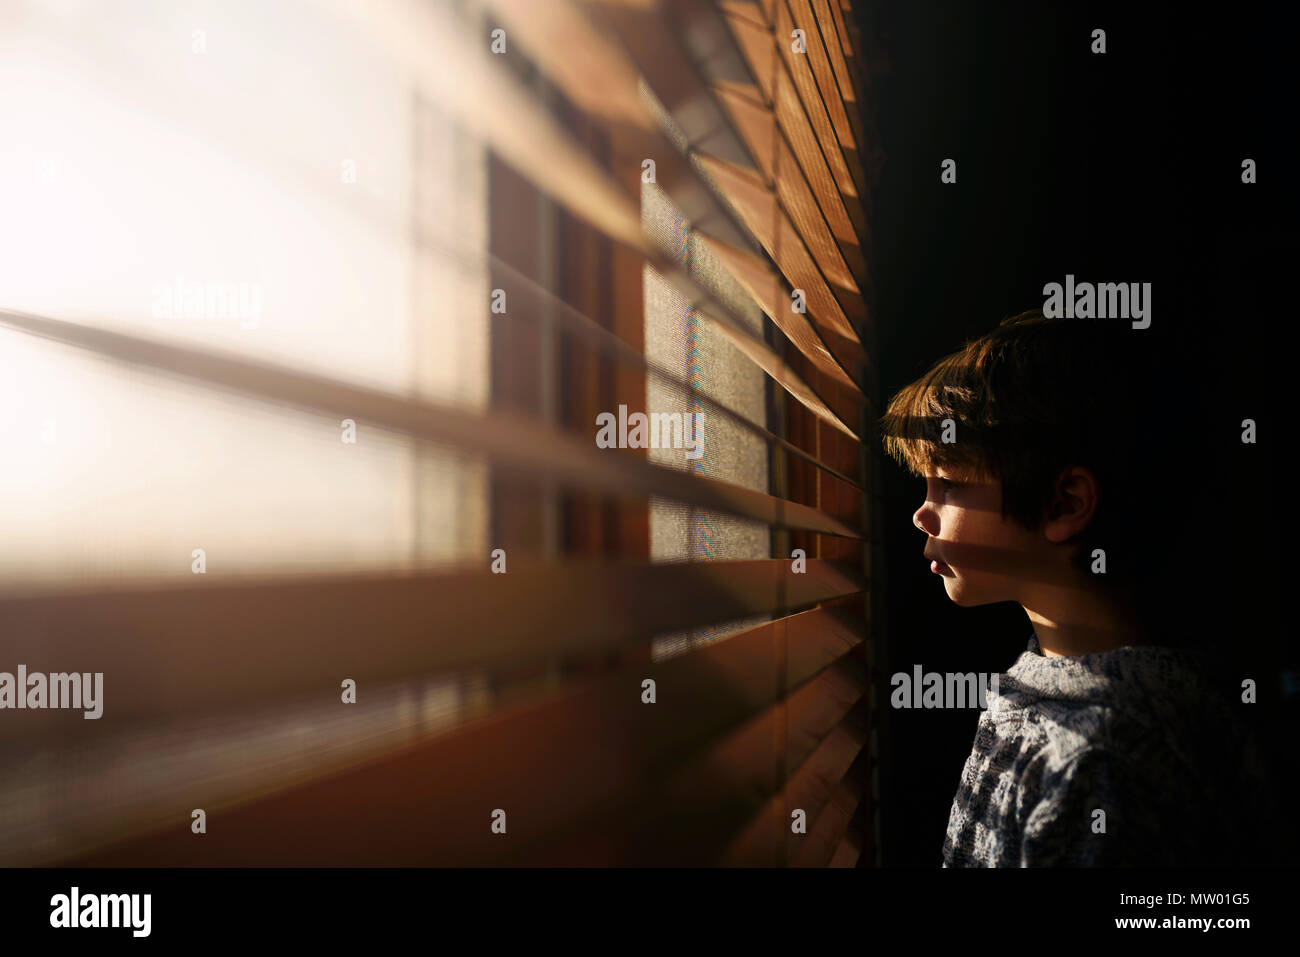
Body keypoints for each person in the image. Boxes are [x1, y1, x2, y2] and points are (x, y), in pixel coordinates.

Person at [878, 309, 1281, 866]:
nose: (922, 513)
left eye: (948, 483)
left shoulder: (1107, 759)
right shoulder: (1050, 676)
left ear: (1063, 503)